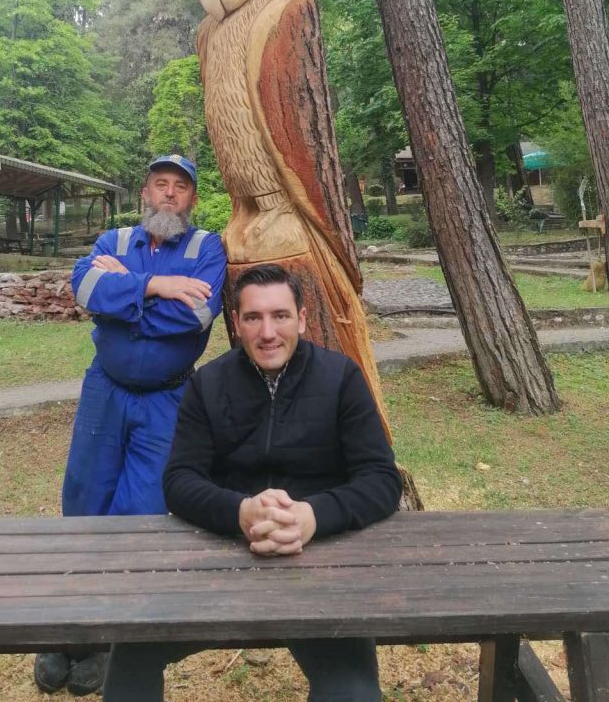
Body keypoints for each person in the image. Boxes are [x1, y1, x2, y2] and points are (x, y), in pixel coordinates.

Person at [102, 262, 402, 702]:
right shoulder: (208, 384)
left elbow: (381, 479)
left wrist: (313, 516)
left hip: (321, 562)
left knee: (352, 693)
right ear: (236, 323)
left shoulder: (341, 378)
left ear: (302, 318)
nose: (268, 332)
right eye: (253, 317)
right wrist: (240, 512)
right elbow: (180, 479)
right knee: (132, 650)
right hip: (223, 557)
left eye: (280, 316)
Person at [34, 155, 227, 696]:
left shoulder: (207, 248)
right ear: (145, 192)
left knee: (141, 510)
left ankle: (110, 638)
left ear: (192, 198)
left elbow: (195, 316)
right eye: (160, 184)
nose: (169, 194)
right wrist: (158, 285)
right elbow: (85, 291)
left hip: (168, 399)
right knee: (83, 501)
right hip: (106, 391)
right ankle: (69, 630)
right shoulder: (113, 239)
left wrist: (126, 294)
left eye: (180, 187)